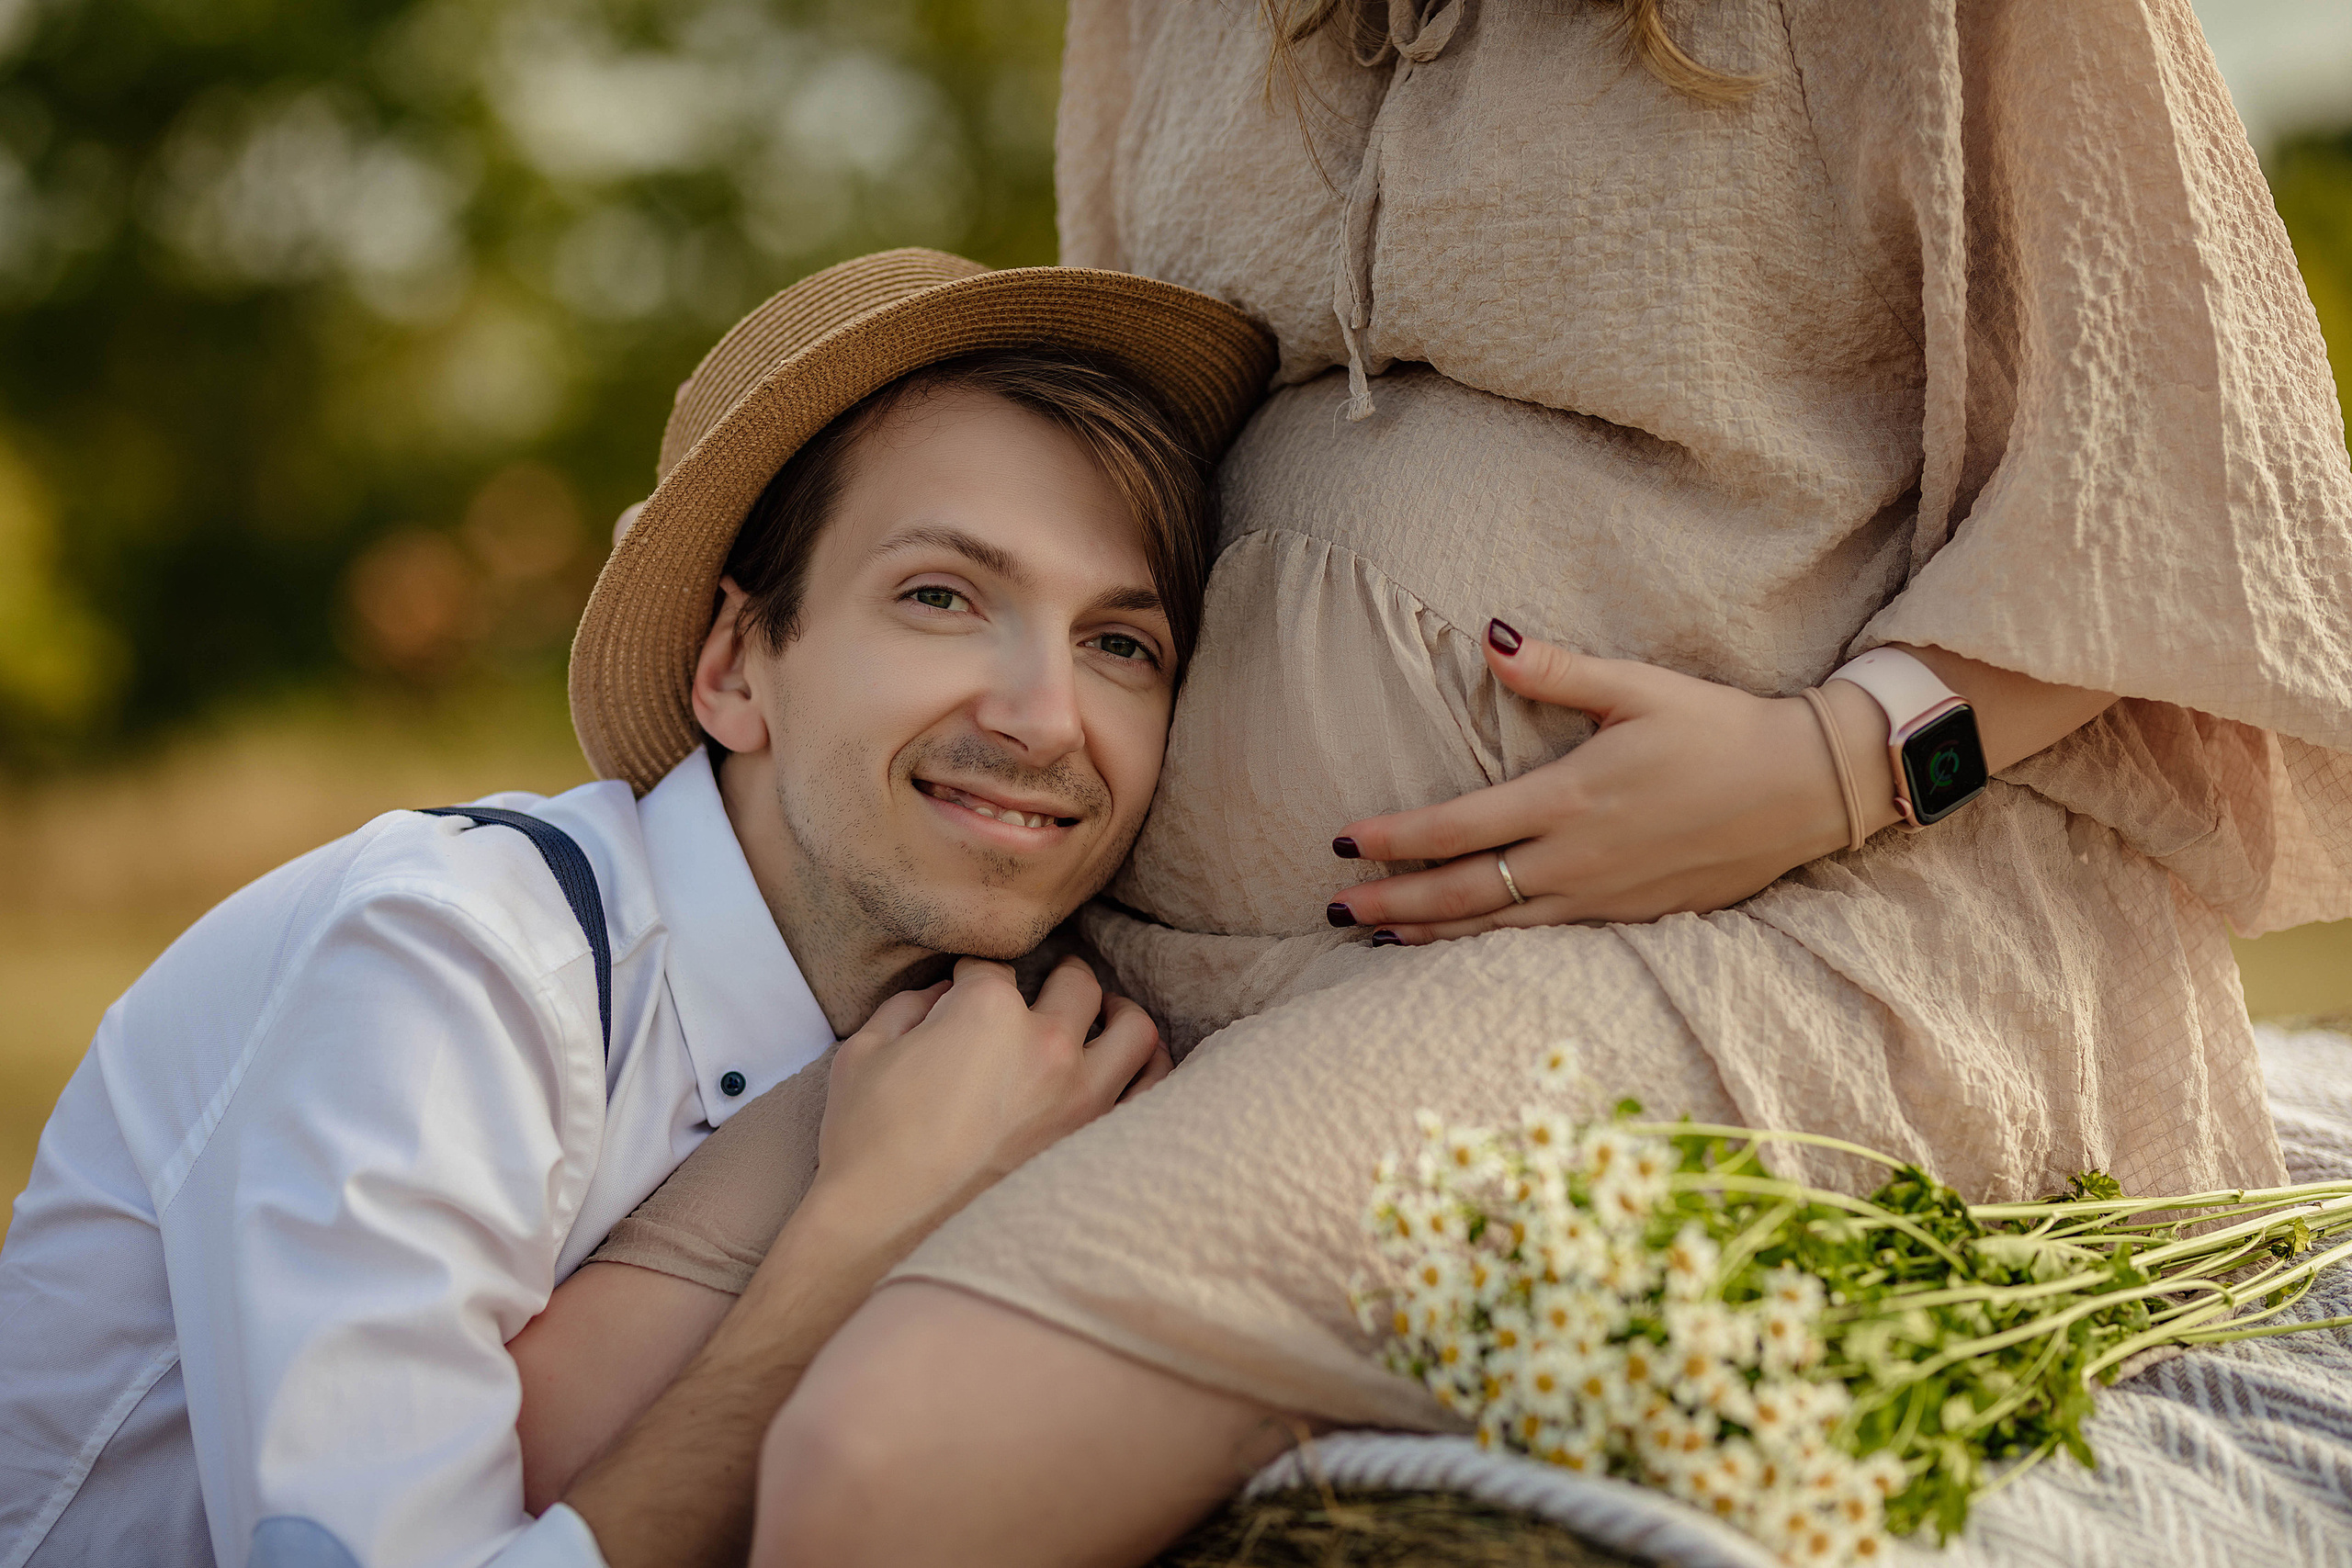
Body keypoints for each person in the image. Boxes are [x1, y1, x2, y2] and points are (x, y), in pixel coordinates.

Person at [560, 3, 2352, 1564]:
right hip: (1154, 935)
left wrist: (1833, 762)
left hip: (1797, 916)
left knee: (888, 1468)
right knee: (572, 1402)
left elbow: (2186, 493)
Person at [0, 248, 1273, 1568]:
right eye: (942, 598)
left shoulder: (1029, 1065)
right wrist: (860, 1235)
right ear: (734, 668)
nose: (1044, 715)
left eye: (1120, 643)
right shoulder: (445, 962)